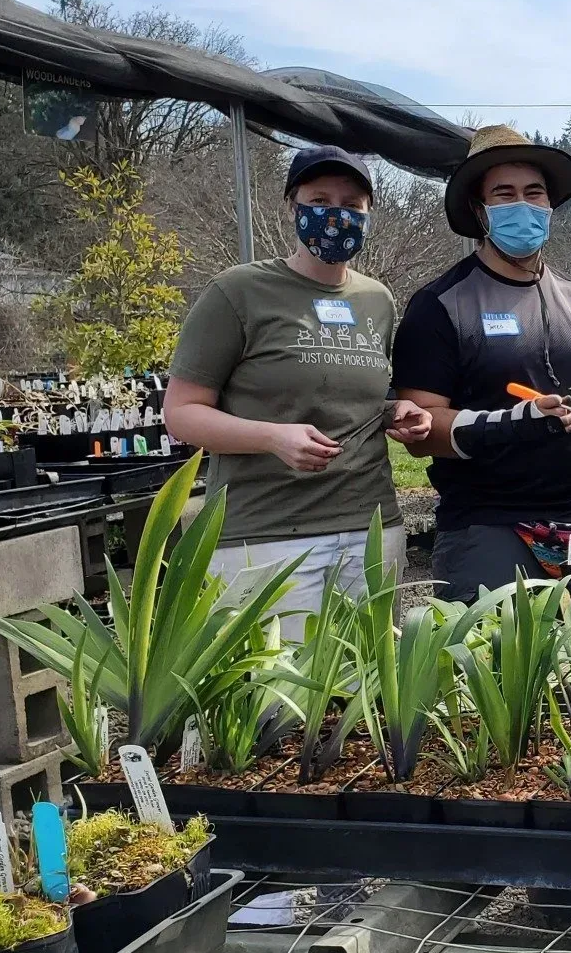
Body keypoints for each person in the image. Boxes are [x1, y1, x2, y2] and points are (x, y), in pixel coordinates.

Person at [166, 145, 433, 638]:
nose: (336, 214)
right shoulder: (238, 292)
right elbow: (182, 413)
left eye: (353, 204)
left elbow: (365, 394)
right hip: (266, 534)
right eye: (320, 199)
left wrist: (402, 410)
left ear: (370, 214)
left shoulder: (376, 300)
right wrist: (272, 438)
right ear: (292, 206)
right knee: (275, 708)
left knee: (366, 700)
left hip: (370, 526)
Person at [391, 125, 571, 601]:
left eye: (534, 193)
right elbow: (420, 435)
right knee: (496, 672)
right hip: (490, 529)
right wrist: (518, 421)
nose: (522, 205)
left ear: (549, 206)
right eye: (504, 194)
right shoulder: (442, 304)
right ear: (478, 210)